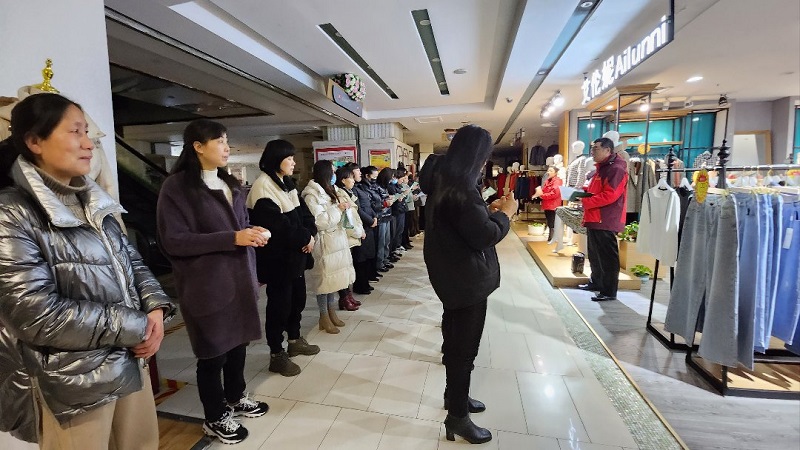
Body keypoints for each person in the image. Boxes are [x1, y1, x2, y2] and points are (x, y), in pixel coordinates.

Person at [0, 93, 175, 448]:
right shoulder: (12, 213)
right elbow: (35, 314)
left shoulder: (93, 201)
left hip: (129, 362)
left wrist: (156, 308)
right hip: (74, 383)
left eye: (87, 133)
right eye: (75, 132)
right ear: (34, 141)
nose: (88, 143)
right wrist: (138, 326)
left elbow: (132, 261)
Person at [157, 119, 269, 445]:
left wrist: (252, 233)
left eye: (226, 140)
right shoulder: (177, 187)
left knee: (238, 346)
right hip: (206, 286)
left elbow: (240, 227)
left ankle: (236, 396)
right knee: (212, 354)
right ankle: (214, 416)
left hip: (240, 281)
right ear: (197, 146)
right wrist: (233, 237)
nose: (226, 147)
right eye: (219, 141)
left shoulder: (229, 183)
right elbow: (174, 241)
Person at [419, 125, 517, 445]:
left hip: (451, 276)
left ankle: (454, 398)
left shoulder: (443, 181)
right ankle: (458, 418)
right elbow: (485, 236)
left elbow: (465, 226)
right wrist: (506, 215)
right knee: (463, 351)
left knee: (454, 343)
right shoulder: (462, 188)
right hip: (466, 280)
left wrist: (487, 213)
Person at [246, 139, 320, 377]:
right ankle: (276, 353)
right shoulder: (263, 187)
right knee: (279, 307)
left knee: (297, 301)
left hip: (295, 257)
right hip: (278, 262)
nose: (293, 162)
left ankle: (294, 340)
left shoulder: (286, 183)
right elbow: (279, 228)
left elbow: (305, 216)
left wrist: (309, 235)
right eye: (289, 158)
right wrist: (306, 238)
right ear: (276, 160)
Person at [301, 160, 356, 334]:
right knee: (323, 282)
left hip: (336, 240)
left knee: (333, 281)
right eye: (332, 171)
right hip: (324, 242)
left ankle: (331, 313)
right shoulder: (311, 194)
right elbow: (320, 221)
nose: (334, 175)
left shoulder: (331, 190)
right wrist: (338, 209)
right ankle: (323, 316)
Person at [578, 137, 629, 302]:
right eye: (592, 148)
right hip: (595, 217)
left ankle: (608, 291)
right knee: (595, 254)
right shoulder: (603, 167)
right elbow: (598, 190)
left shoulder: (616, 169)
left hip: (605, 218)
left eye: (596, 149)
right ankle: (596, 282)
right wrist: (582, 193)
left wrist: (586, 201)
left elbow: (610, 195)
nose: (592, 152)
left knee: (607, 257)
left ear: (608, 150)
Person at [334, 165, 367, 309]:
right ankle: (344, 298)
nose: (353, 180)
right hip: (346, 235)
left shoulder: (348, 193)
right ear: (343, 180)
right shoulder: (340, 194)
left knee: (348, 267)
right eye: (351, 178)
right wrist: (359, 232)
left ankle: (348, 296)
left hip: (352, 234)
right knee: (344, 269)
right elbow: (347, 219)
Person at [351, 164, 381, 292]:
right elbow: (358, 209)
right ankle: (360, 285)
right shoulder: (352, 190)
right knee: (361, 257)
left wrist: (374, 217)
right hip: (362, 225)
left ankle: (366, 280)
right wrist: (370, 220)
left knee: (368, 254)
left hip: (369, 223)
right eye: (357, 171)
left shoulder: (359, 187)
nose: (360, 173)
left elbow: (368, 205)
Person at [532, 165, 563, 241]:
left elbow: (555, 193)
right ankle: (551, 236)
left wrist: (543, 195)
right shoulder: (547, 180)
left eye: (551, 171)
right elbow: (544, 190)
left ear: (556, 172)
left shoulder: (557, 181)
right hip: (547, 204)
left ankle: (553, 237)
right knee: (549, 220)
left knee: (552, 221)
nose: (548, 172)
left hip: (553, 204)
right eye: (548, 170)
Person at [374, 167, 397, 271]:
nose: (392, 180)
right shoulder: (377, 187)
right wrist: (385, 203)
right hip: (381, 217)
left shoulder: (385, 187)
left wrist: (390, 199)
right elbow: (375, 203)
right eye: (391, 177)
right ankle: (380, 263)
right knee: (381, 241)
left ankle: (385, 259)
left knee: (387, 240)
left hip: (388, 215)